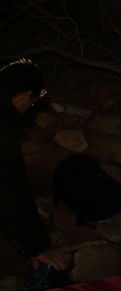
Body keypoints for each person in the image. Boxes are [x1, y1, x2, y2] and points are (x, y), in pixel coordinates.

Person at [0, 59, 67, 273]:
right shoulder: (3, 133)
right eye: (32, 103)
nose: (29, 110)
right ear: (23, 97)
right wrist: (37, 248)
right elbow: (10, 196)